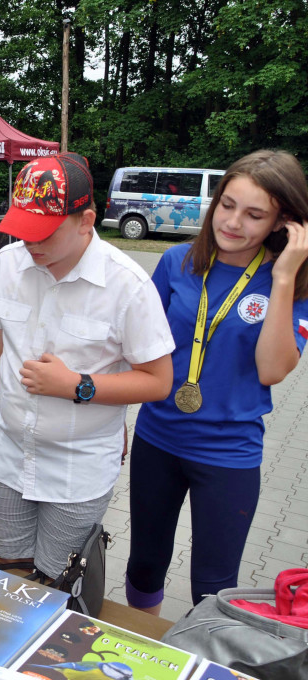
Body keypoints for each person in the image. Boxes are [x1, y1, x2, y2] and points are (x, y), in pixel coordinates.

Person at [0, 153, 175, 581]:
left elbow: (158, 381)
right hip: (7, 454)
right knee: (10, 568)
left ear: (85, 221)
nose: (32, 246)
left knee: (58, 582)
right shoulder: (8, 264)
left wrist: (78, 385)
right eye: (22, 232)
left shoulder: (126, 285)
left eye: (44, 234)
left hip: (79, 467)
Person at [125, 150, 308, 612]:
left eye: (254, 214)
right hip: (158, 437)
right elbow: (139, 354)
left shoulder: (295, 286)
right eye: (227, 204)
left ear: (283, 221)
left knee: (213, 585)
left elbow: (273, 370)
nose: (232, 222)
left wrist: (283, 276)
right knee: (145, 563)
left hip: (230, 453)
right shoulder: (175, 262)